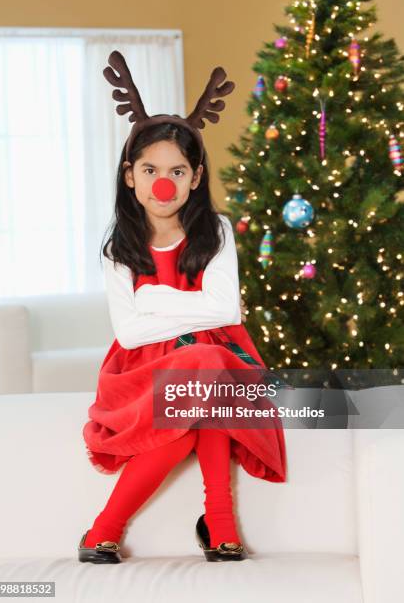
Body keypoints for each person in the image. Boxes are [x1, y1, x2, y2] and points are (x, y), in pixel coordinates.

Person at [78, 50, 287, 564]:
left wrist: (154, 297)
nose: (162, 182)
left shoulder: (214, 230)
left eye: (176, 170)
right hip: (141, 370)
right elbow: (129, 333)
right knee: (204, 372)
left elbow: (226, 315)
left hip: (213, 360)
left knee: (208, 366)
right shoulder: (118, 245)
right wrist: (186, 308)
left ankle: (104, 531)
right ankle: (218, 523)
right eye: (149, 169)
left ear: (195, 177)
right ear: (131, 176)